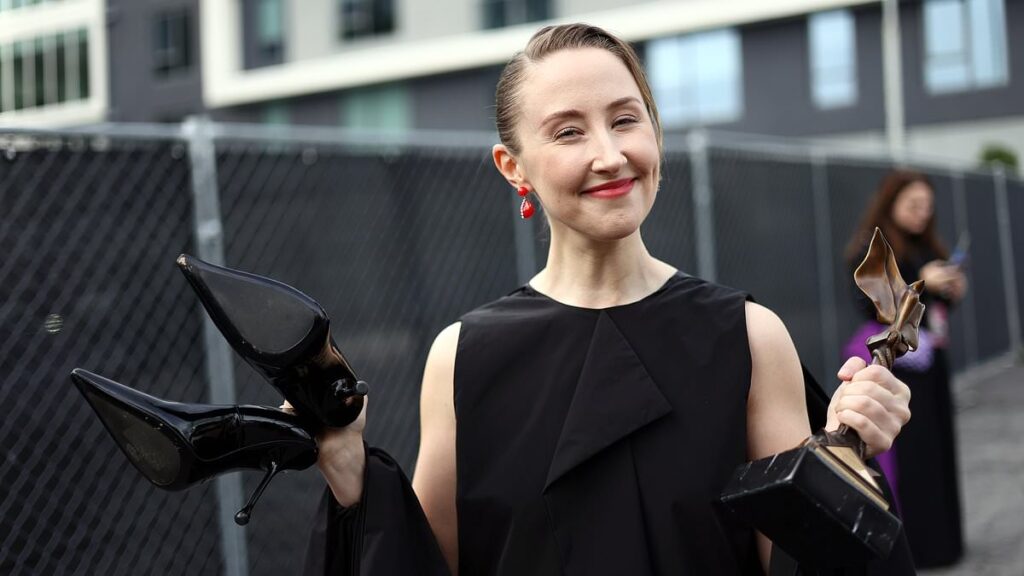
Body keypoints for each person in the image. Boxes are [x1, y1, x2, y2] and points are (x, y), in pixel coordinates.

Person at [302, 24, 915, 576]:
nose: (610, 155)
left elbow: (790, 561)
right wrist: (348, 468)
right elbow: (431, 564)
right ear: (513, 167)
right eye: (569, 131)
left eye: (626, 119)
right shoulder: (462, 357)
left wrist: (841, 461)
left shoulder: (749, 337)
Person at [845, 170, 966, 568]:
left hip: (931, 367)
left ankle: (944, 543)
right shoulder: (872, 248)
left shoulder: (926, 244)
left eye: (927, 207)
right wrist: (922, 282)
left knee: (939, 454)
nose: (921, 214)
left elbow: (935, 312)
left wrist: (950, 290)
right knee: (910, 459)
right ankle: (919, 548)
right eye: (913, 205)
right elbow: (876, 306)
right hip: (896, 368)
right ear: (891, 203)